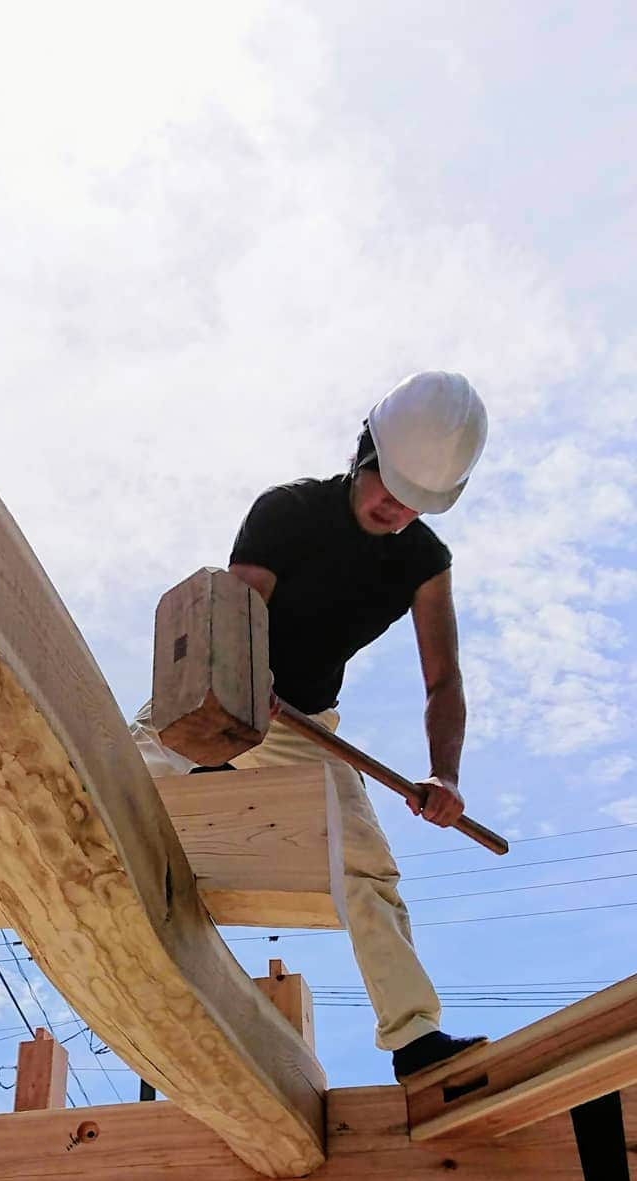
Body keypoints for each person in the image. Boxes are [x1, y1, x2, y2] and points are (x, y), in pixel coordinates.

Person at [132, 370, 490, 1080]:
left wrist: (445, 776)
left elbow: (443, 681)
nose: (396, 508)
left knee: (365, 863)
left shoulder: (424, 562)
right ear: (364, 454)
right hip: (213, 691)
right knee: (115, 802)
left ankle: (415, 1041)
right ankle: (143, 985)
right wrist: (244, 679)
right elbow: (236, 625)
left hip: (304, 725)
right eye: (389, 486)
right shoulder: (285, 513)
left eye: (417, 503)